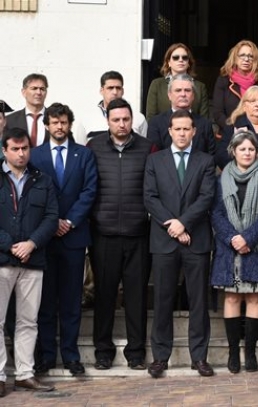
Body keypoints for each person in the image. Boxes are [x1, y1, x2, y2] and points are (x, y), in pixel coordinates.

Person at [144, 109, 216, 379]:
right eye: (178, 129)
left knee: (198, 302)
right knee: (162, 300)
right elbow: (150, 198)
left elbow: (206, 197)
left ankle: (199, 357)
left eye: (187, 129)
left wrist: (183, 223)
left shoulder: (205, 160)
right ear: (170, 132)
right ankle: (160, 357)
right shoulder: (155, 160)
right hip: (164, 241)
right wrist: (173, 227)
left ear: (194, 131)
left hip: (196, 239)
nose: (182, 133)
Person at [87, 98, 156, 371]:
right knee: (104, 295)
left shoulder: (147, 147)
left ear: (132, 120)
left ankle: (136, 353)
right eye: (116, 120)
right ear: (107, 121)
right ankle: (103, 351)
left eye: (126, 119)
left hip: (138, 233)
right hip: (103, 234)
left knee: (136, 296)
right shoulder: (94, 147)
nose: (122, 124)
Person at [30, 103, 97, 377]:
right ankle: (46, 356)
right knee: (45, 302)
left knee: (71, 301)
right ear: (46, 125)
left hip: (74, 236)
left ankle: (71, 356)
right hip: (44, 239)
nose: (59, 127)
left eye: (64, 122)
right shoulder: (34, 155)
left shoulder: (84, 155)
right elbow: (33, 193)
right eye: (55, 122)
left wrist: (69, 221)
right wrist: (52, 223)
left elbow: (90, 190)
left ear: (70, 124)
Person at [211, 130, 258, 374]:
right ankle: (233, 353)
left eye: (251, 149)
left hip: (257, 247)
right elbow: (216, 213)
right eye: (242, 149)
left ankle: (250, 353)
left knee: (254, 298)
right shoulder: (221, 179)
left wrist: (248, 237)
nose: (247, 153)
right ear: (233, 151)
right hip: (229, 248)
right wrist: (233, 239)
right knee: (231, 298)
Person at [0, 127, 58, 395]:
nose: (21, 153)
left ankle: (25, 374)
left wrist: (31, 243)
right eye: (15, 149)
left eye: (24, 148)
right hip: (2, 259)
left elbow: (51, 217)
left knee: (28, 321)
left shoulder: (42, 180)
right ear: (5, 151)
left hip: (33, 259)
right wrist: (10, 245)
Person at [212, 40, 258, 131]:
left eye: (251, 56)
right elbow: (218, 113)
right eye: (242, 55)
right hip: (231, 131)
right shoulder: (224, 80)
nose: (246, 59)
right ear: (235, 58)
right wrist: (234, 130)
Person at [147, 74, 216, 155]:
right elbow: (154, 157)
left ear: (193, 95)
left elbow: (211, 157)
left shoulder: (205, 124)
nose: (183, 94)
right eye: (178, 90)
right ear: (169, 95)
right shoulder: (156, 123)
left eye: (187, 90)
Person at [74, 71, 148, 144]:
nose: (115, 92)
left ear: (122, 91)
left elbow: (144, 146)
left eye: (118, 88)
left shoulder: (138, 118)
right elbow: (81, 149)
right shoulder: (86, 119)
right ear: (101, 91)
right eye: (110, 88)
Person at [145, 43, 209, 121]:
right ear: (168, 62)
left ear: (189, 63)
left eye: (185, 57)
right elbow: (151, 118)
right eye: (176, 57)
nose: (180, 60)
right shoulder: (157, 84)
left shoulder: (200, 87)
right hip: (163, 128)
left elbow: (204, 120)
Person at [5, 73, 50, 147]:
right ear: (24, 92)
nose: (38, 92)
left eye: (42, 89)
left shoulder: (56, 119)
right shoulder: (9, 121)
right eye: (34, 88)